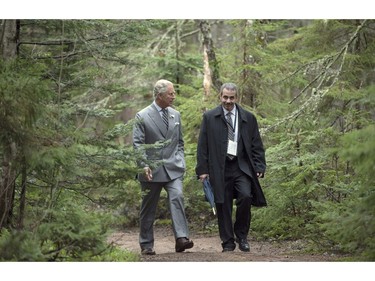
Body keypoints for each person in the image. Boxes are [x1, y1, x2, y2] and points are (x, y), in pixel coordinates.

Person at [195, 82, 267, 252]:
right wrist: (203, 170)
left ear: (237, 98)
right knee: (223, 204)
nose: (228, 101)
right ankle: (227, 242)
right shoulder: (210, 117)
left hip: (242, 166)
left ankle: (241, 236)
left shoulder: (248, 118)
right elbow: (202, 146)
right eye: (225, 97)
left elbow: (257, 143)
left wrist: (259, 165)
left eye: (231, 98)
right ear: (220, 96)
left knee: (246, 196)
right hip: (219, 167)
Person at [132, 79, 194, 255]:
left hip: (173, 168)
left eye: (173, 93)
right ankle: (146, 244)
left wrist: (180, 159)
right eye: (170, 94)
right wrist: (143, 165)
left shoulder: (176, 115)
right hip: (151, 170)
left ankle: (181, 239)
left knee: (177, 196)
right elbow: (138, 144)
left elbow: (180, 142)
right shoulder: (142, 116)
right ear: (159, 96)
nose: (174, 96)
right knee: (148, 207)